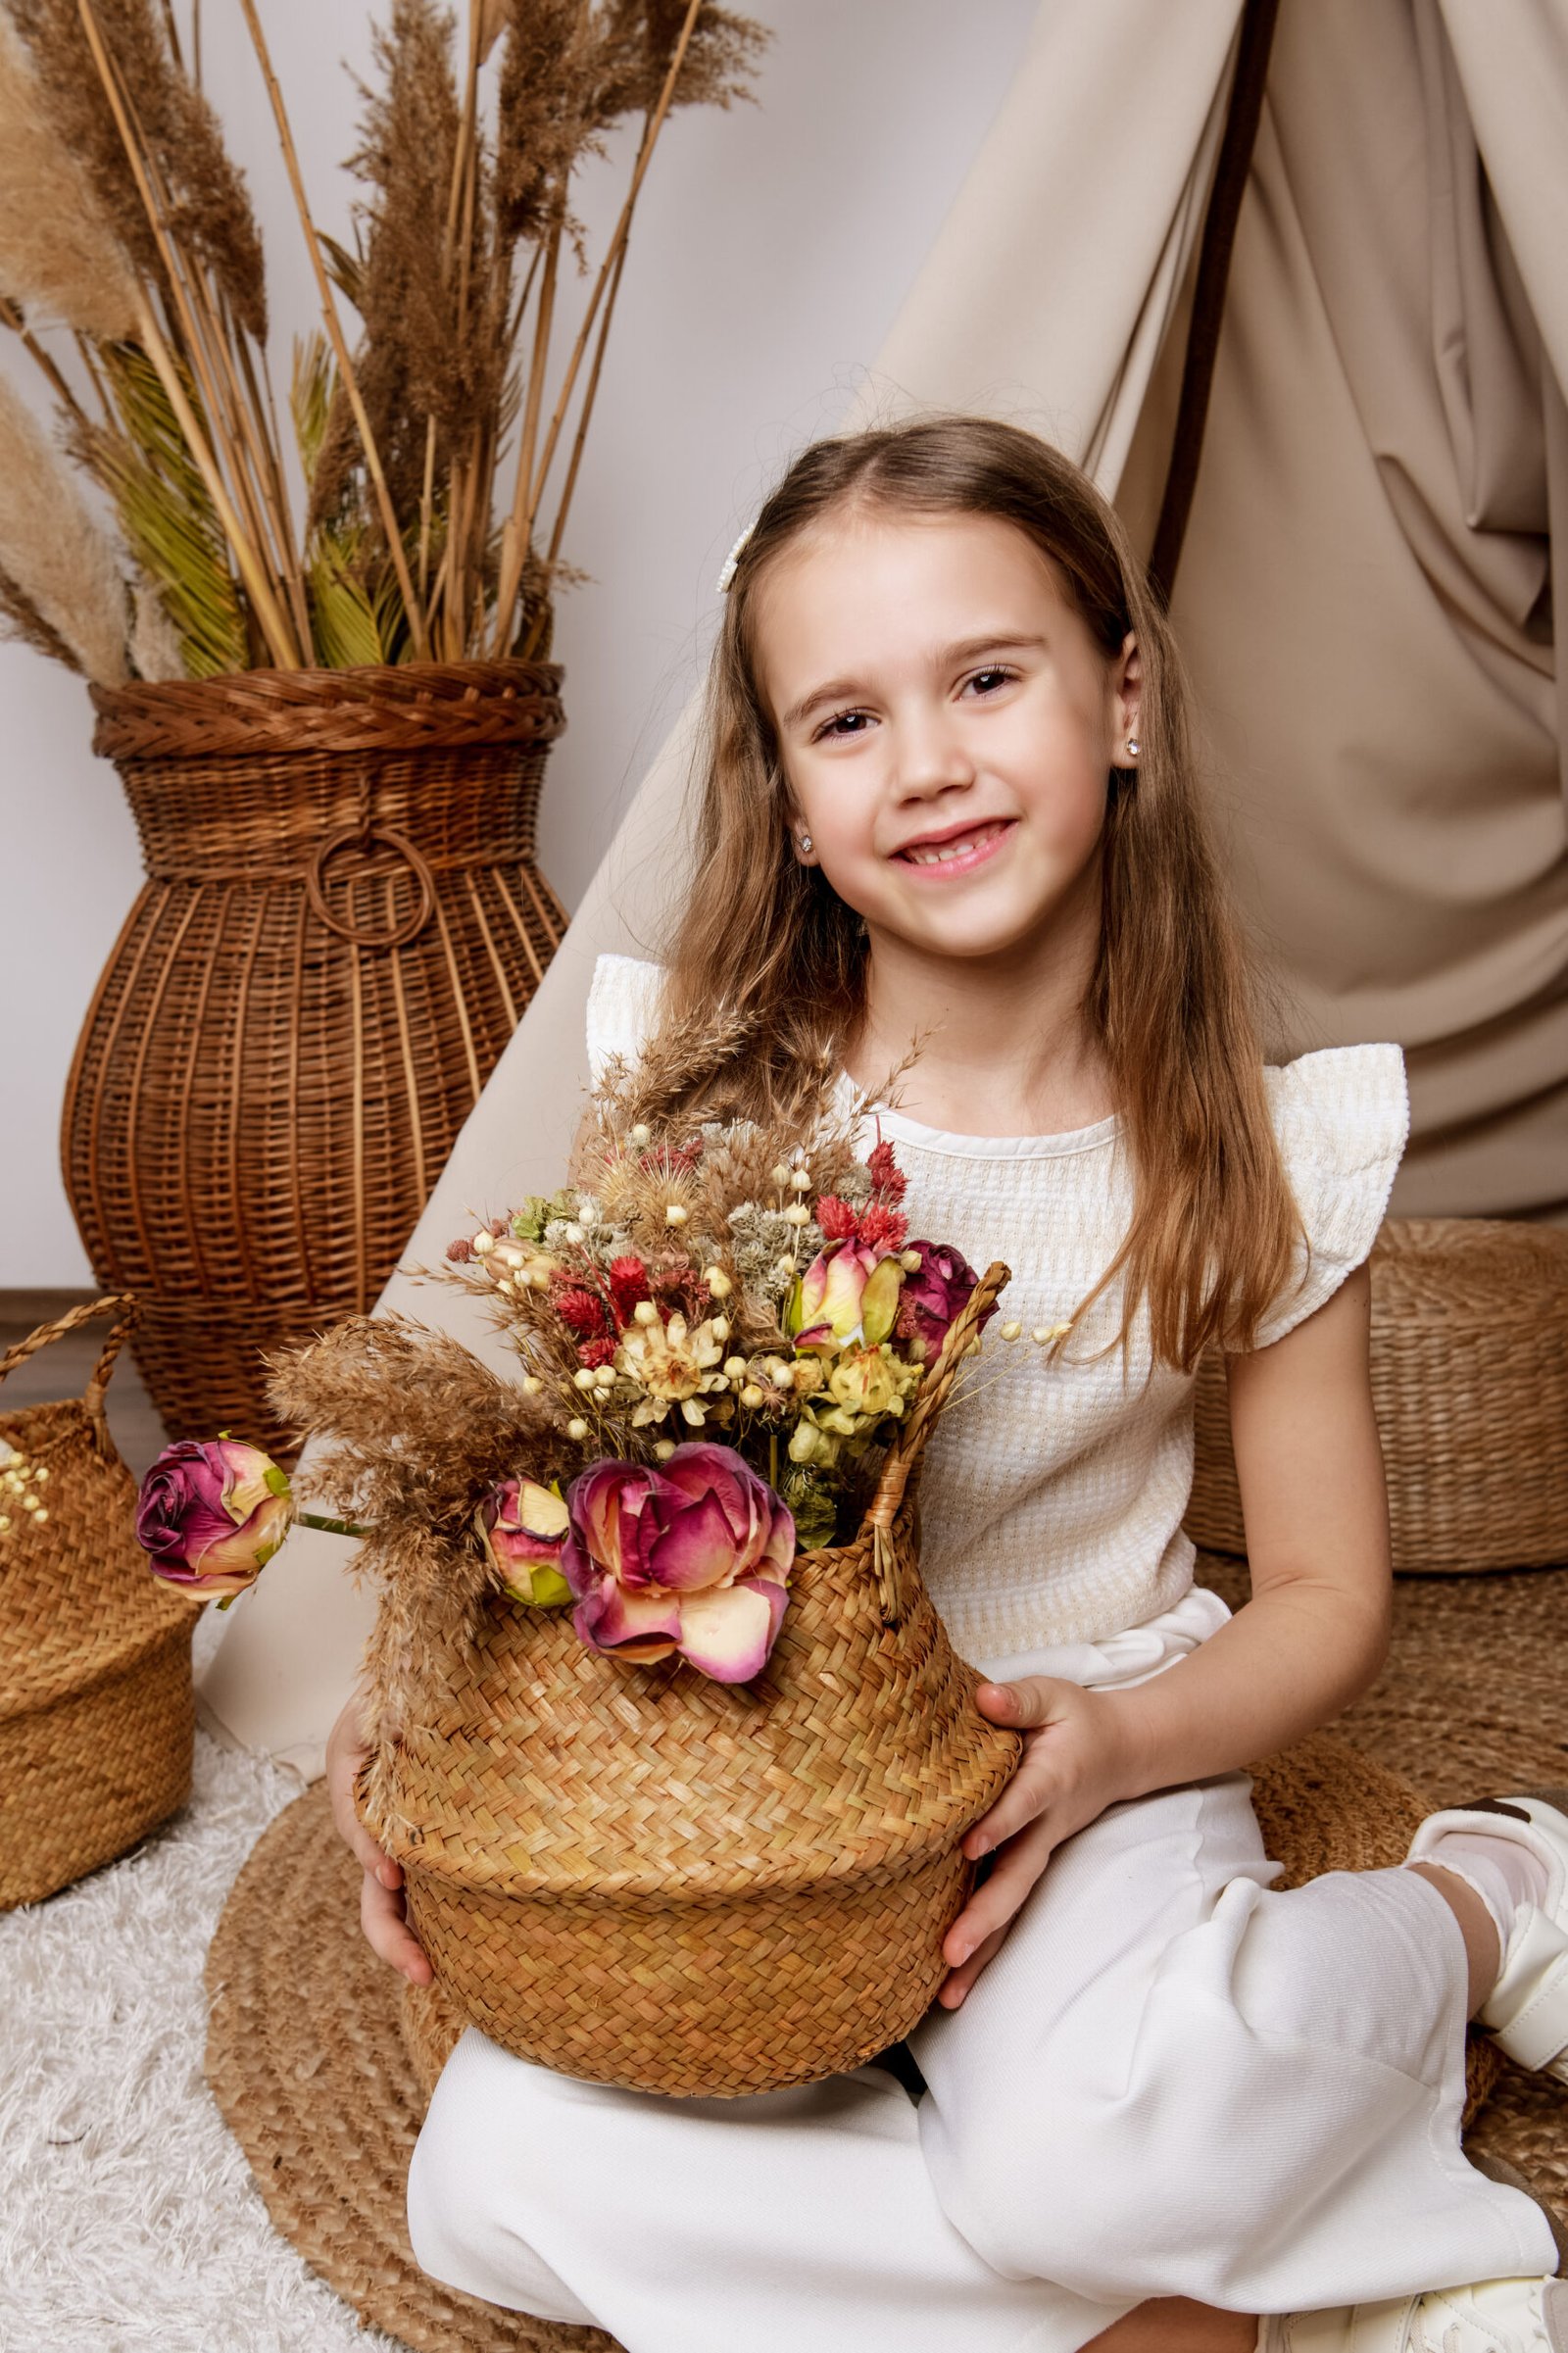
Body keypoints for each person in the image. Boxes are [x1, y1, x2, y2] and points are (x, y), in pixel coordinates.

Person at [325, 416, 1568, 2353]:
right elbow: (584, 1492)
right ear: (791, 801)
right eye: (844, 721)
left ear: (1121, 696)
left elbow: (1326, 1598)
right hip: (766, 1775)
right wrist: (415, 1716)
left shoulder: (1248, 1147)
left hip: (1083, 1763)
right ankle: (1148, 2299)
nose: (924, 764)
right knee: (480, 2181)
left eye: (985, 678)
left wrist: (1113, 1747)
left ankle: (1477, 1899)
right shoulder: (699, 1101)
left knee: (1081, 2148)